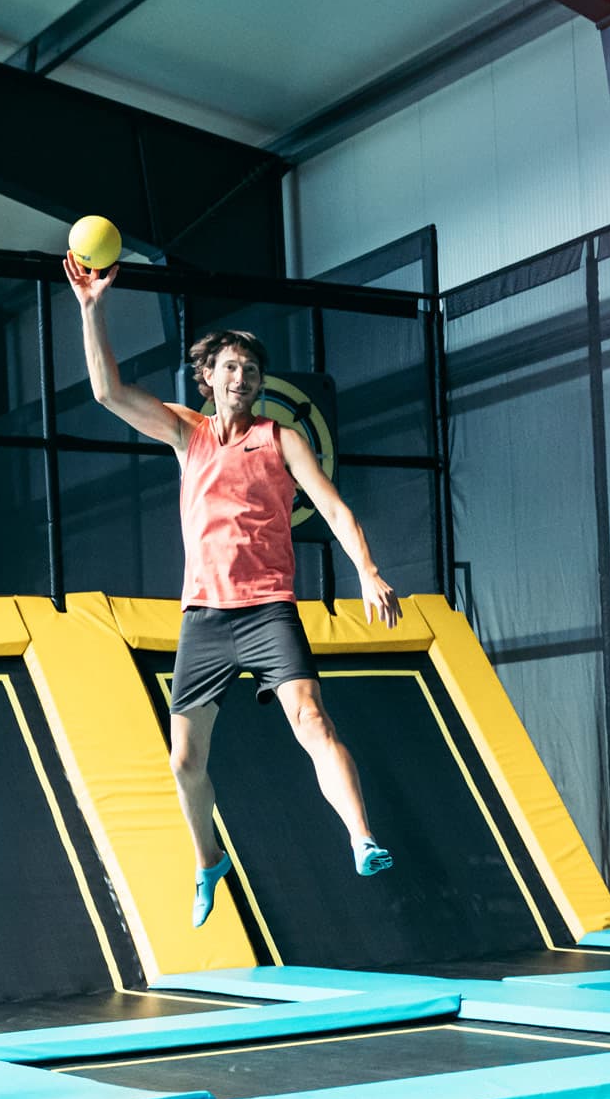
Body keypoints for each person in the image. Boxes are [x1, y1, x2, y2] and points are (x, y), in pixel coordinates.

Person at [65, 256, 403, 928]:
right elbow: (107, 391)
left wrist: (367, 570)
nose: (240, 376)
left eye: (250, 369)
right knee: (184, 760)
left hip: (269, 610)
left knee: (312, 720)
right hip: (205, 618)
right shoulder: (184, 433)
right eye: (229, 367)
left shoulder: (281, 438)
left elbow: (334, 508)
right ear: (209, 377)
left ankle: (361, 836)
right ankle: (208, 860)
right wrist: (91, 308)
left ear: (258, 382)